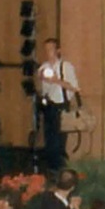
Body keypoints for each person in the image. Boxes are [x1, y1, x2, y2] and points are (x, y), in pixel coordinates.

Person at [34, 37, 80, 168]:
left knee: (59, 140)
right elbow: (41, 83)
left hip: (61, 105)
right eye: (46, 50)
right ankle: (52, 167)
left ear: (57, 50)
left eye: (51, 49)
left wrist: (56, 80)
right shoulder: (45, 67)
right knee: (49, 139)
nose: (48, 52)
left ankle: (60, 167)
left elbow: (74, 87)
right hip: (49, 105)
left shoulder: (66, 66)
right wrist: (43, 77)